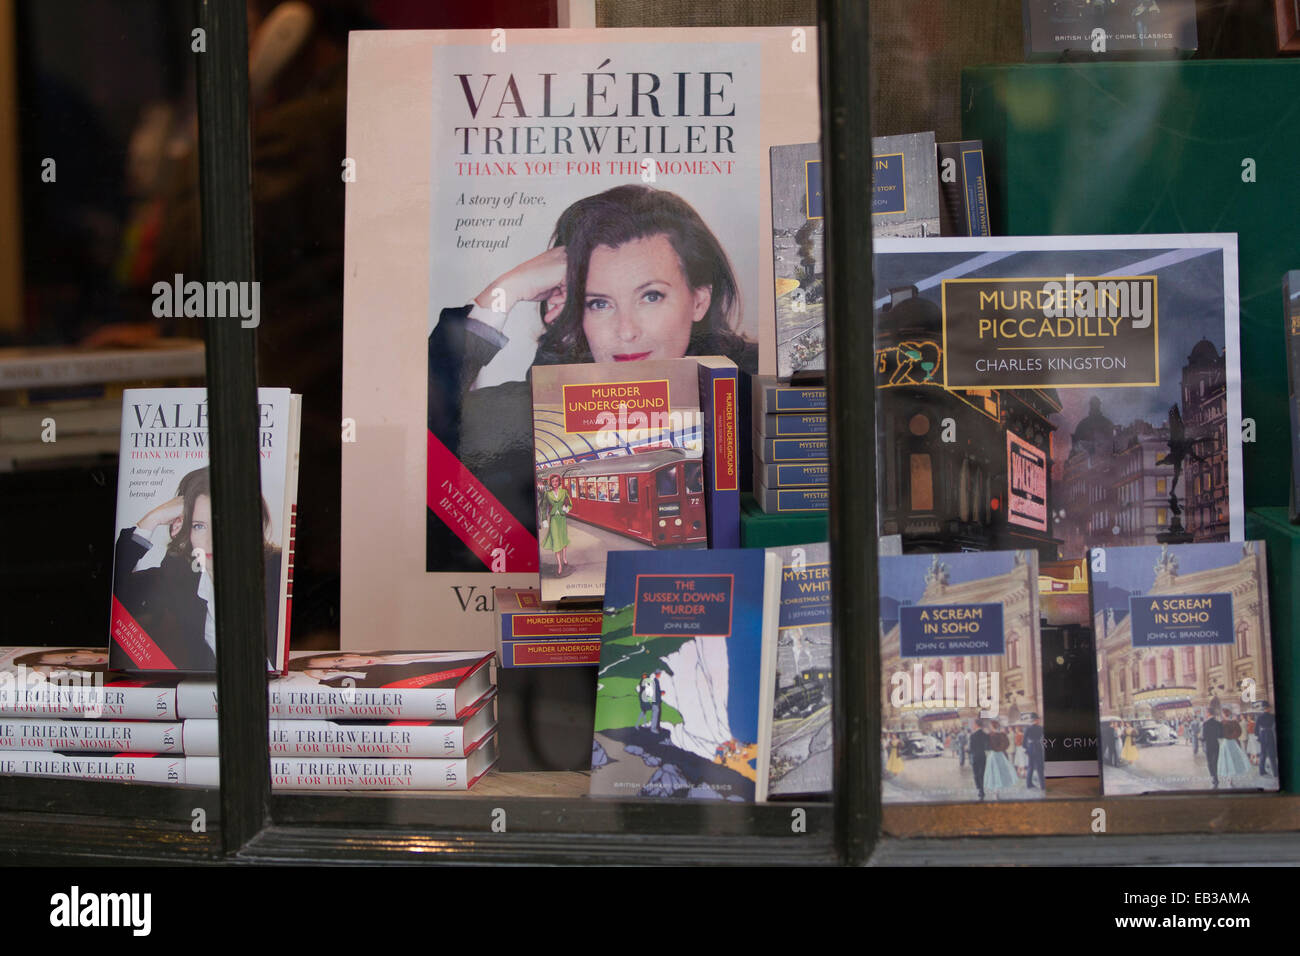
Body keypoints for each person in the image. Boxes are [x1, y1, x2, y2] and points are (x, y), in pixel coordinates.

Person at [426, 185, 756, 573]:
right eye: (599, 303)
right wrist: (505, 291)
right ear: (570, 312)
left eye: (651, 296)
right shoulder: (529, 417)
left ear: (699, 300)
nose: (627, 330)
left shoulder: (752, 409)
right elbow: (419, 454)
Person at [113, 467, 281, 671]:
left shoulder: (279, 568)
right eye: (199, 526)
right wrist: (151, 520)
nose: (213, 540)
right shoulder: (181, 576)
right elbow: (116, 594)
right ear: (185, 532)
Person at [539, 474, 573, 577]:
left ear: (559, 482)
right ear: (551, 482)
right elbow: (544, 508)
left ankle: (565, 558)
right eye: (553, 481)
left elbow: (570, 503)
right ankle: (559, 565)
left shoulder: (564, 492)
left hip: (562, 519)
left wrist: (566, 509)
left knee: (563, 539)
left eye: (556, 481)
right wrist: (544, 519)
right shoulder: (547, 494)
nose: (555, 483)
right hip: (553, 519)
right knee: (556, 541)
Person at [983, 720, 1017, 799]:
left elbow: (986, 746)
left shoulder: (989, 735)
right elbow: (1007, 744)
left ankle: (995, 792)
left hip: (993, 755)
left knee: (993, 773)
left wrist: (993, 748)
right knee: (999, 773)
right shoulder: (1002, 734)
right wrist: (1000, 749)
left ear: (992, 726)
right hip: (1000, 755)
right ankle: (996, 791)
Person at [1216, 707, 1250, 782]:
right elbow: (1239, 732)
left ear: (1224, 714)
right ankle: (1230, 776)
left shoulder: (1222, 723)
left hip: (1226, 742)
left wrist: (1226, 736)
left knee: (1226, 759)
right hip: (1233, 742)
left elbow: (1219, 734)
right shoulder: (1234, 722)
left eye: (1222, 713)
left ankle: (1229, 777)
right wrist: (1233, 737)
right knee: (1233, 758)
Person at [968, 720, 990, 801]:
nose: (973, 726)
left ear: (976, 725)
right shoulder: (985, 735)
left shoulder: (972, 736)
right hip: (983, 756)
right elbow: (988, 746)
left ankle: (979, 788)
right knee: (982, 773)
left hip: (975, 756)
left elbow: (971, 748)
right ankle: (981, 789)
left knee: (976, 773)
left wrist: (968, 750)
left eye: (973, 724)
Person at [1023, 715, 1046, 790]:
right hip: (1038, 747)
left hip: (1030, 748)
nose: (1039, 721)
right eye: (1038, 719)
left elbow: (1024, 742)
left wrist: (1026, 749)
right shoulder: (1041, 728)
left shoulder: (1027, 728)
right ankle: (1042, 786)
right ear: (1036, 720)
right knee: (1040, 767)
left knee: (1030, 767)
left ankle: (1029, 784)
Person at [1202, 706, 1223, 789]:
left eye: (1206, 712)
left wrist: (1201, 738)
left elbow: (1204, 736)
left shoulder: (1206, 723)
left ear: (1208, 713)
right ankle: (1215, 776)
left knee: (1210, 762)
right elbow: (1221, 735)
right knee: (1215, 762)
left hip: (1208, 745)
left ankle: (1214, 778)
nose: (1205, 714)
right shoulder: (1218, 723)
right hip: (1216, 744)